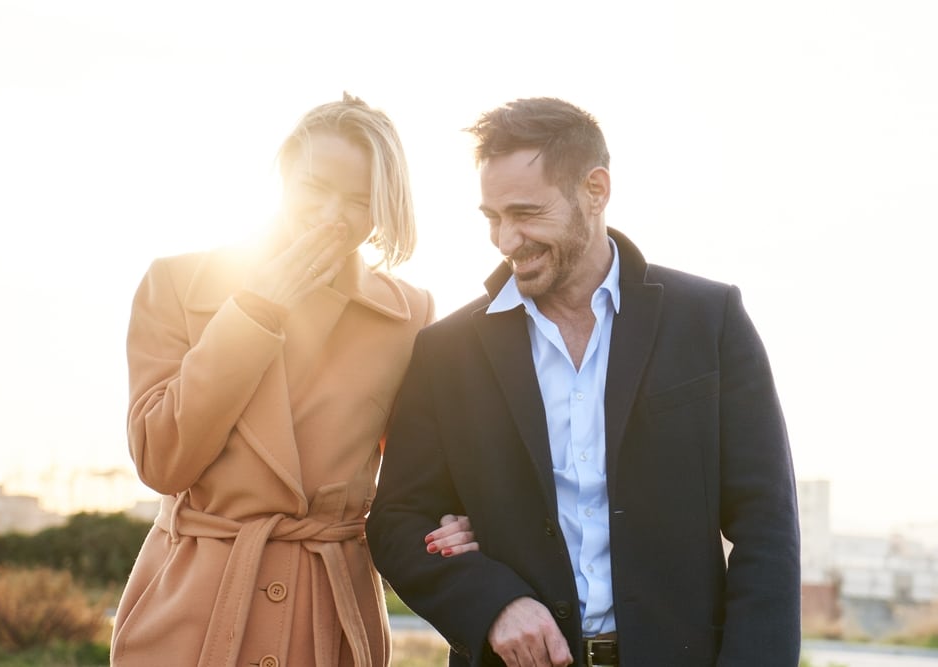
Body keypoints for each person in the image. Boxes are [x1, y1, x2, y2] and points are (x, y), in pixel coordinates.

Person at [366, 97, 801, 666]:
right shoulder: (447, 352)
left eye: (526, 213)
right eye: (493, 217)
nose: (506, 239)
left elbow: (766, 526)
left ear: (595, 190)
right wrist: (493, 604)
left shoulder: (709, 321)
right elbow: (397, 523)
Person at [110, 93, 475, 667]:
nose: (333, 214)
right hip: (194, 616)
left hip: (327, 615)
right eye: (314, 188)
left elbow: (420, 480)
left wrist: (458, 521)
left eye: (359, 200)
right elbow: (162, 460)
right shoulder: (177, 285)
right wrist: (256, 313)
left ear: (383, 209)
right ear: (281, 177)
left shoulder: (409, 315)